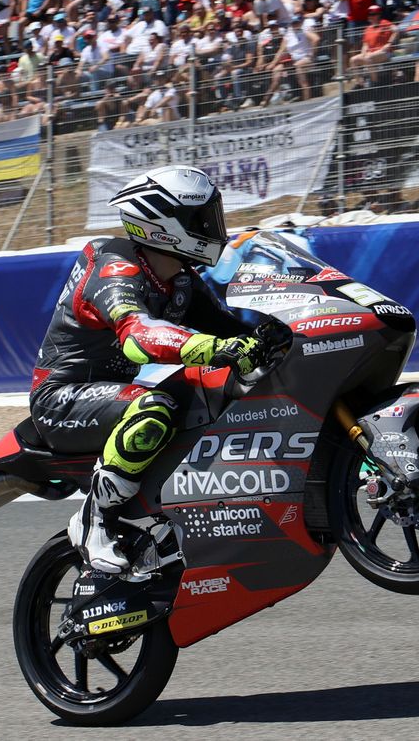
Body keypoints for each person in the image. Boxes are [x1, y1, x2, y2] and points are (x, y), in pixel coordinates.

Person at [34, 166, 265, 574]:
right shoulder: (113, 266)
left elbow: (232, 327)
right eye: (201, 220)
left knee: (212, 389)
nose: (213, 228)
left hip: (110, 394)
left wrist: (277, 336)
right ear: (163, 224)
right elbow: (137, 336)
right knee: (154, 408)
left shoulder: (179, 280)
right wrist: (215, 348)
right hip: (62, 398)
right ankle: (93, 519)